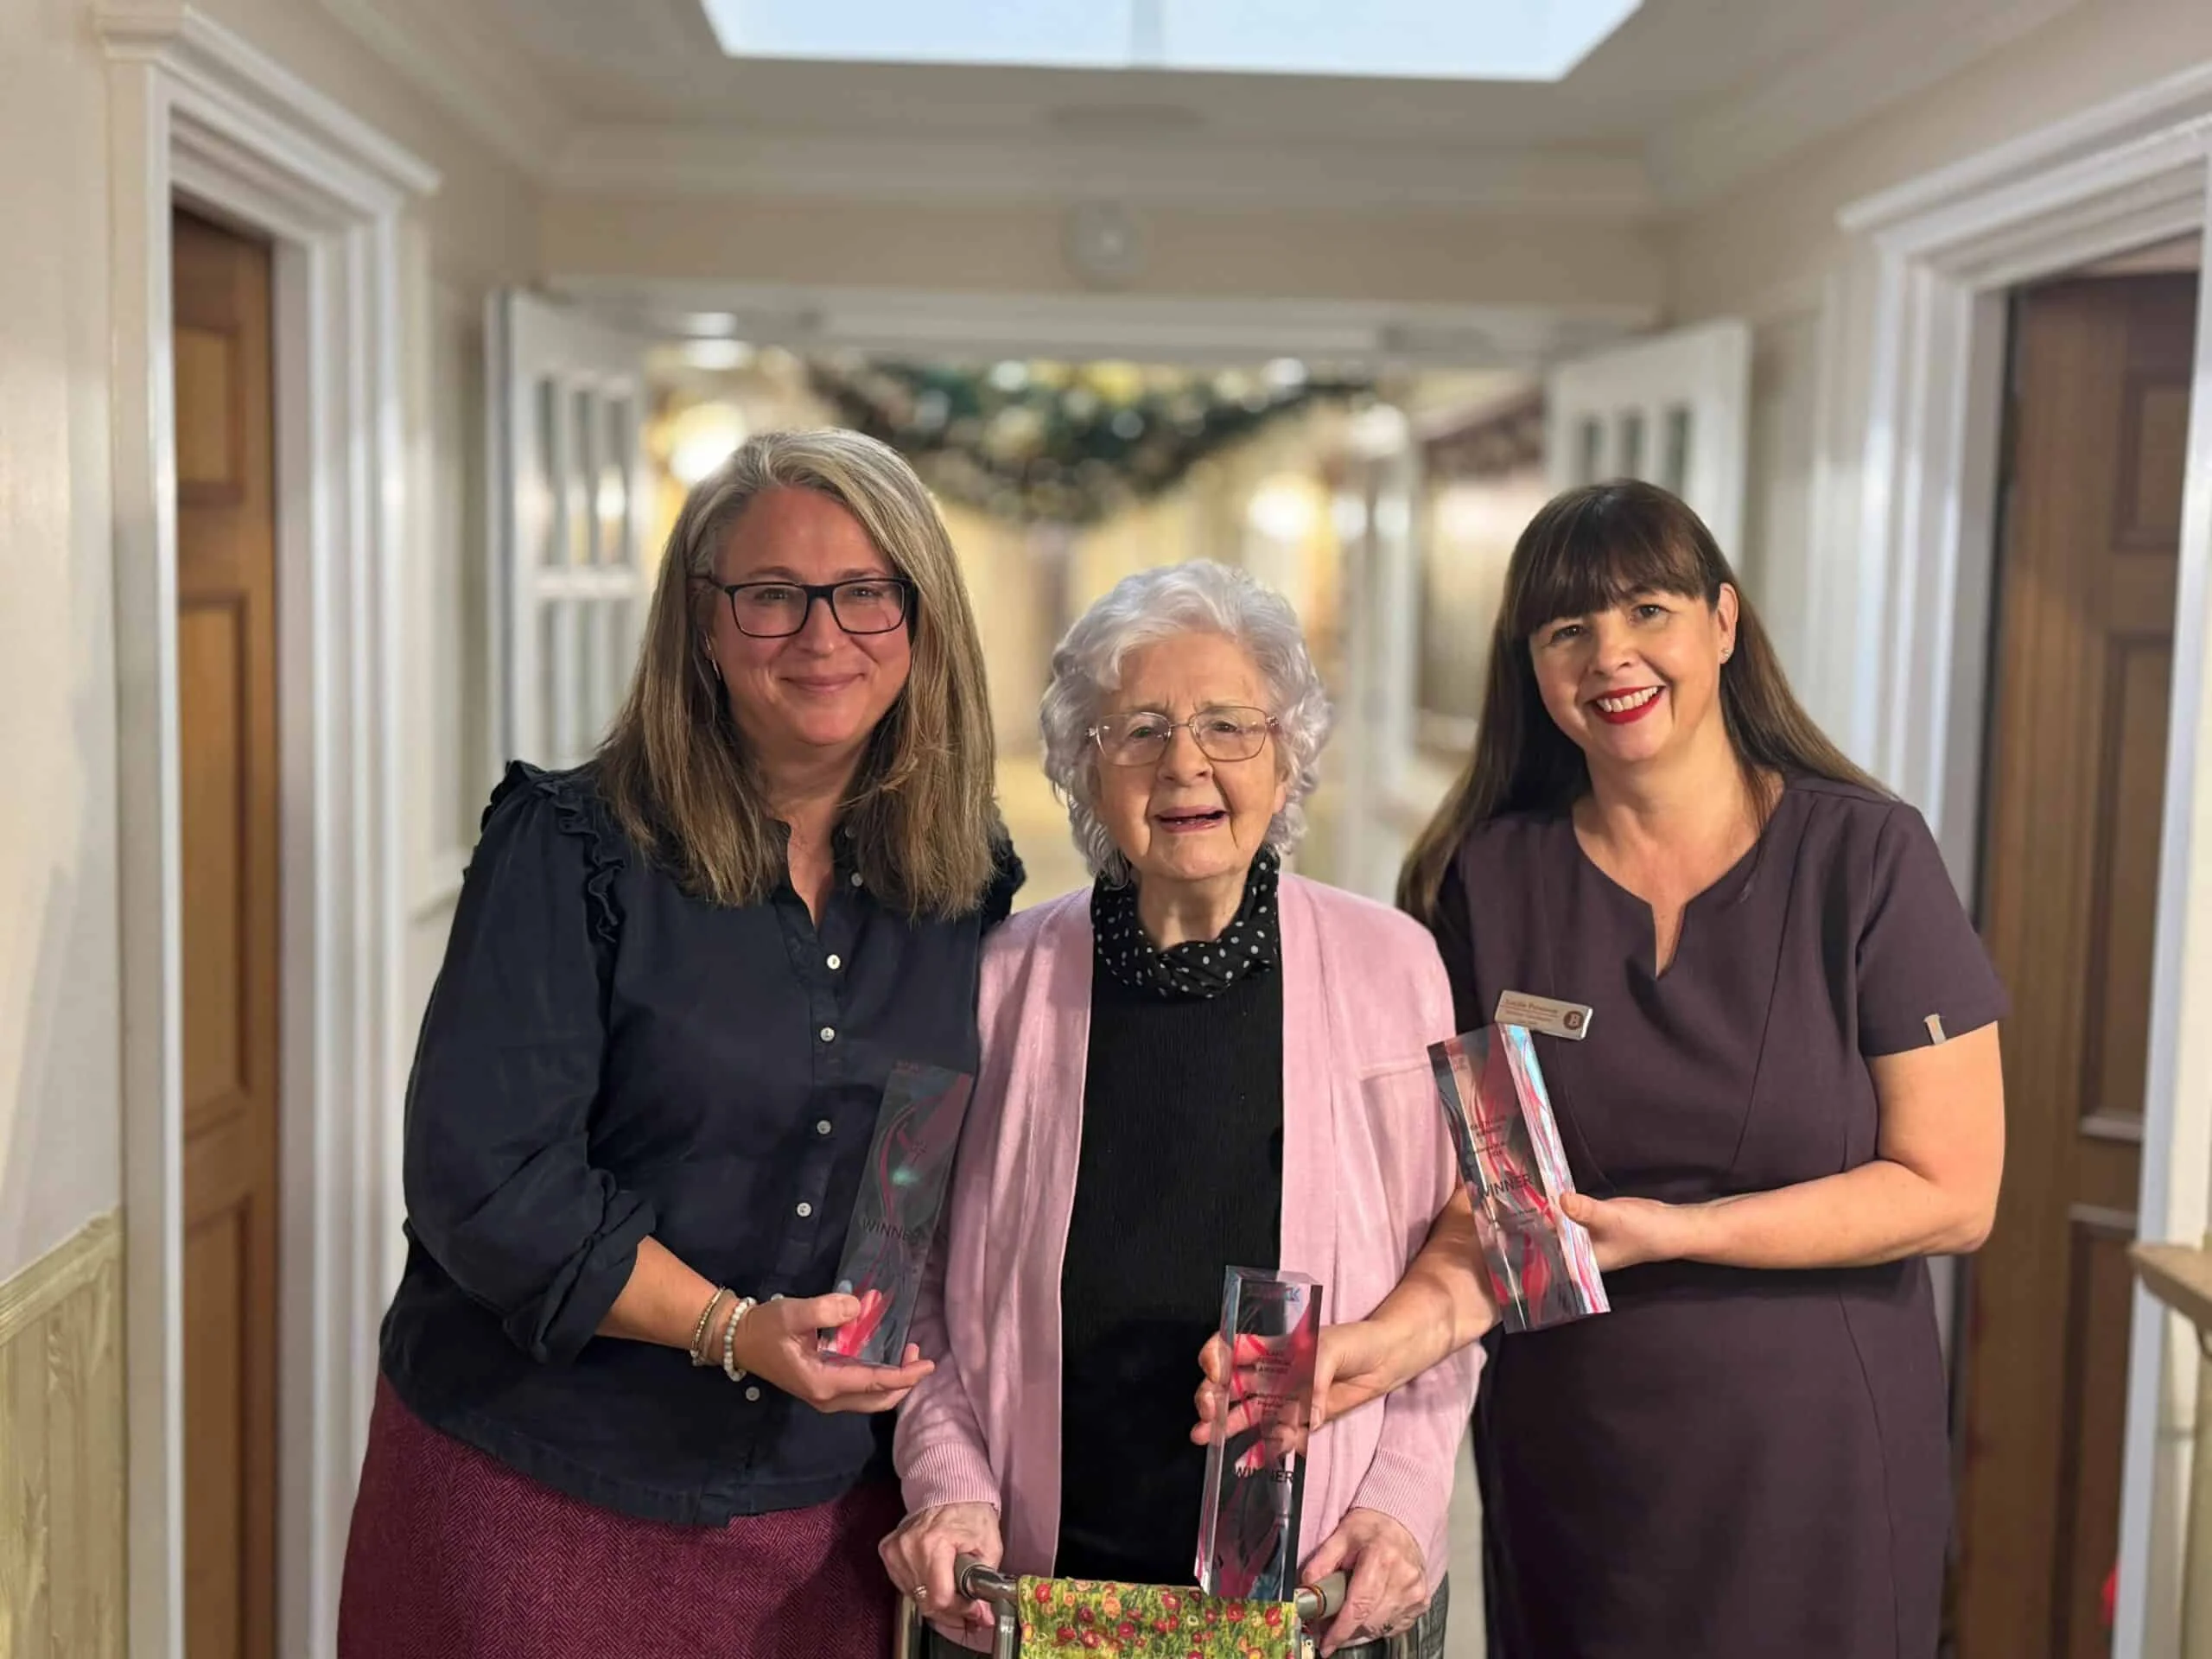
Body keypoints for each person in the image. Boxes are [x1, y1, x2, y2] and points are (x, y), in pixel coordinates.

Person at [1205, 479, 2006, 1658]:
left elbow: (1953, 1191)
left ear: (1724, 624)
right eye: (1567, 629)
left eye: (1648, 611)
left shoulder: (1865, 858)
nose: (1611, 655)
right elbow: (1491, 1214)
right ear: (1530, 663)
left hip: (1816, 1457)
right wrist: (1391, 1342)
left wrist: (1679, 1231)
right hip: (1580, 1462)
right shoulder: (1484, 880)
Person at [337, 429, 1021, 1658]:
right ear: (703, 625)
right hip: (535, 1492)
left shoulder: (963, 881)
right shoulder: (571, 849)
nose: (824, 637)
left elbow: (946, 1176)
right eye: (773, 596)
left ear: (922, 623)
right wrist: (735, 1328)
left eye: (867, 593)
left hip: (825, 1520)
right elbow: (485, 1184)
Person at [881, 561, 1479, 1658]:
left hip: (1313, 1601)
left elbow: (1457, 1268)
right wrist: (948, 1483)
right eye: (1139, 730)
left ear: (1286, 752)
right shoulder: (987, 980)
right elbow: (900, 1269)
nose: (1185, 764)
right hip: (1035, 1598)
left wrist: (1399, 1501)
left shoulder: (1397, 969)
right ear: (1082, 767)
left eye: (1228, 726)